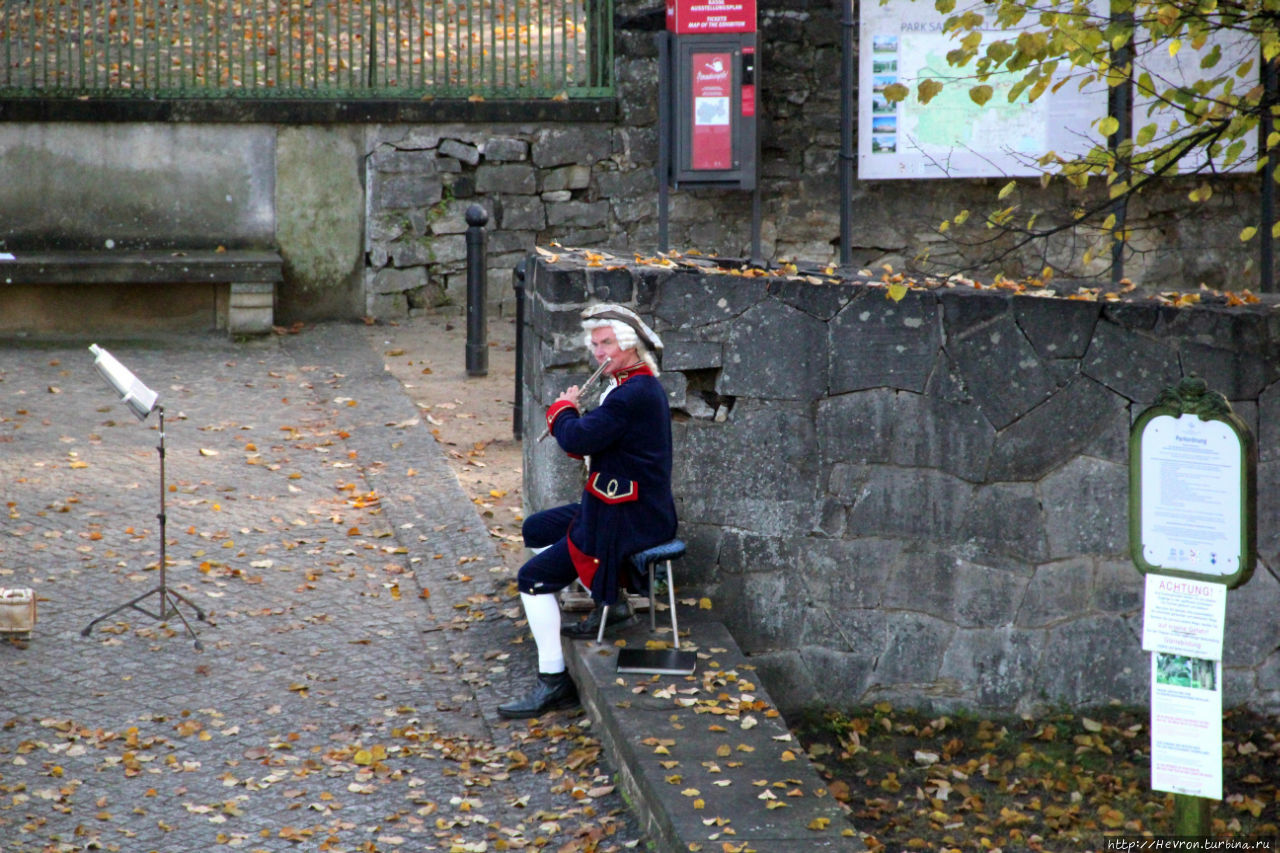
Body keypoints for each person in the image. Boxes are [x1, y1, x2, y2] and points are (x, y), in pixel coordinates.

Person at [497, 303, 678, 719]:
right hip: (613, 500)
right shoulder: (624, 384)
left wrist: (562, 411)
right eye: (595, 344)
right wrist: (575, 417)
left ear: (630, 345)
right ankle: (609, 602)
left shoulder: (634, 393)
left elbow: (577, 439)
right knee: (536, 529)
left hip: (631, 515)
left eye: (607, 342)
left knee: (533, 579)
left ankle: (552, 679)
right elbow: (594, 441)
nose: (599, 352)